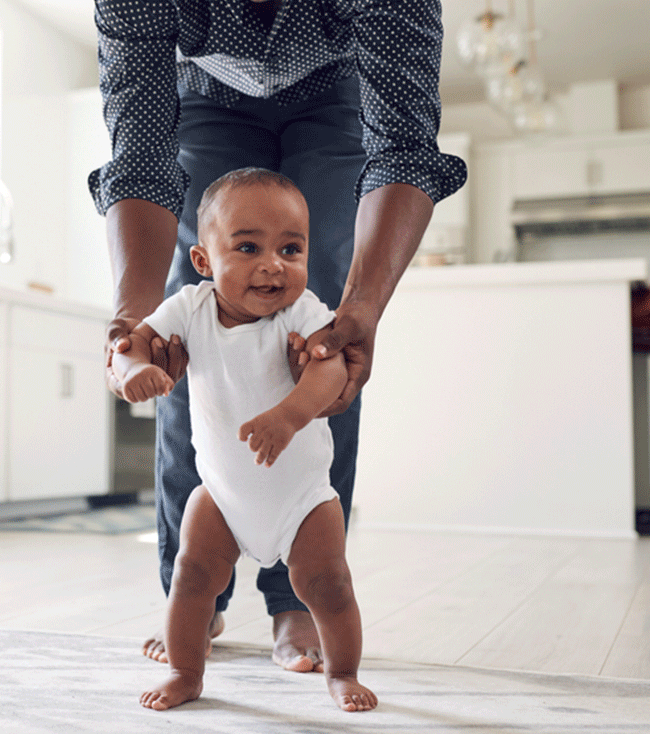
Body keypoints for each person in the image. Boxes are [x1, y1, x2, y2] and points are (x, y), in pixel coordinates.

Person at [89, 0, 467, 672]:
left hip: (339, 90)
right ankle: (194, 587)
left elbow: (402, 146)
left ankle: (298, 599)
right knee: (195, 327)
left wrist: (363, 309)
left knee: (321, 331)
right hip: (205, 93)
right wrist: (132, 325)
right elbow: (142, 153)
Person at [114, 167, 374, 711]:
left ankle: (342, 673)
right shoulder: (191, 307)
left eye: (291, 248)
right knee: (191, 577)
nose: (272, 264)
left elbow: (329, 372)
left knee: (328, 584)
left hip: (302, 499)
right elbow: (134, 341)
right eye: (249, 247)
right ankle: (187, 673)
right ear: (205, 262)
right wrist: (134, 366)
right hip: (223, 495)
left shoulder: (302, 312)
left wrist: (288, 416)